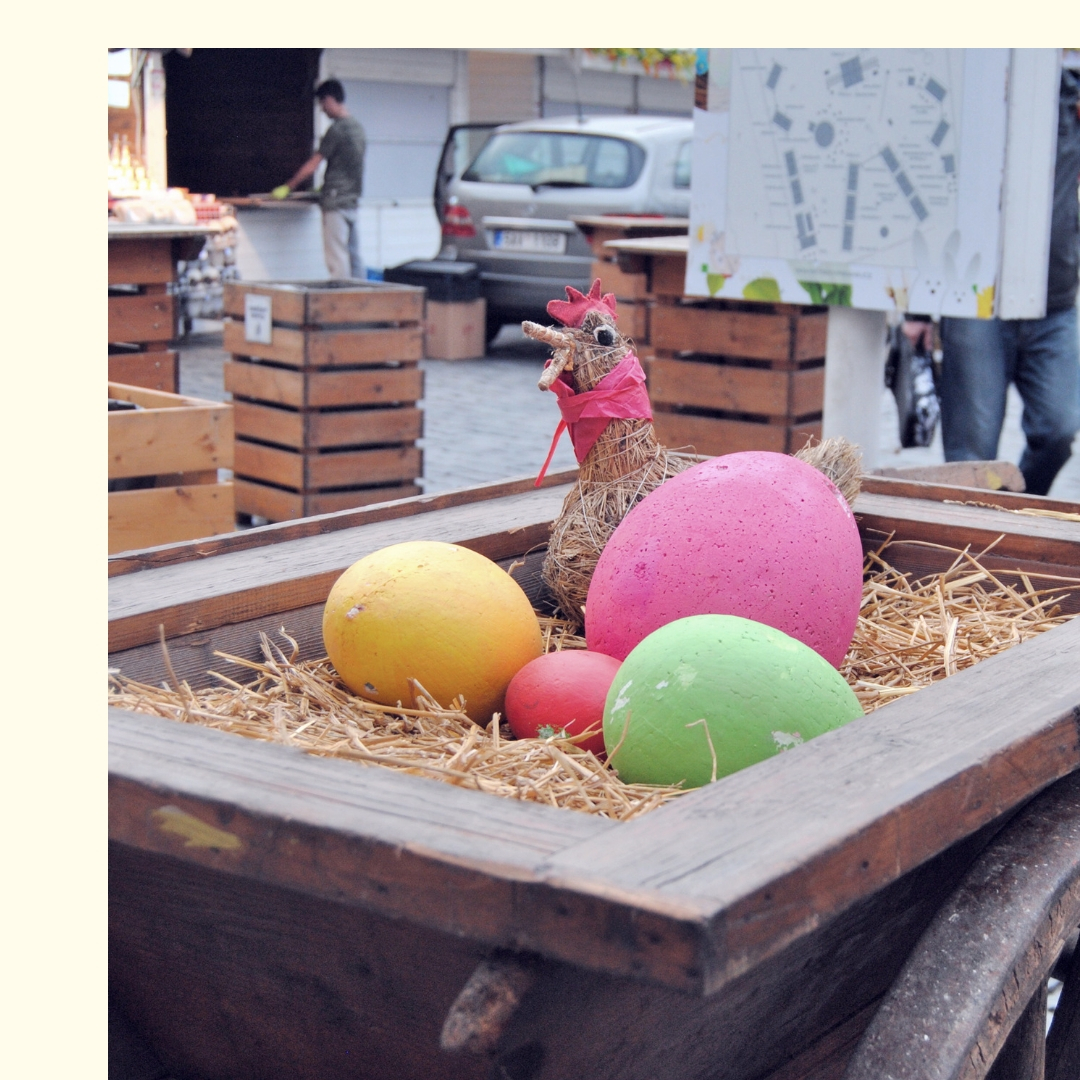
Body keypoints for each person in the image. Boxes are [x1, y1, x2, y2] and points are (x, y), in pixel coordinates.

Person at [915, 65, 1079, 496]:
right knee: (972, 452)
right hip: (977, 300)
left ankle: (1019, 507)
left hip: (1055, 300)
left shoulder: (1068, 96)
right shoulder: (971, 93)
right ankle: (974, 541)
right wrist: (917, 306)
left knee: (1061, 428)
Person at [274, 79, 366, 280]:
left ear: (331, 99)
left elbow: (313, 164)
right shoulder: (358, 128)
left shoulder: (337, 130)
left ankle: (340, 302)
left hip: (335, 201)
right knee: (354, 255)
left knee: (337, 257)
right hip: (352, 201)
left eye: (322, 104)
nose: (323, 110)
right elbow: (348, 165)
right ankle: (363, 296)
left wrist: (289, 186)